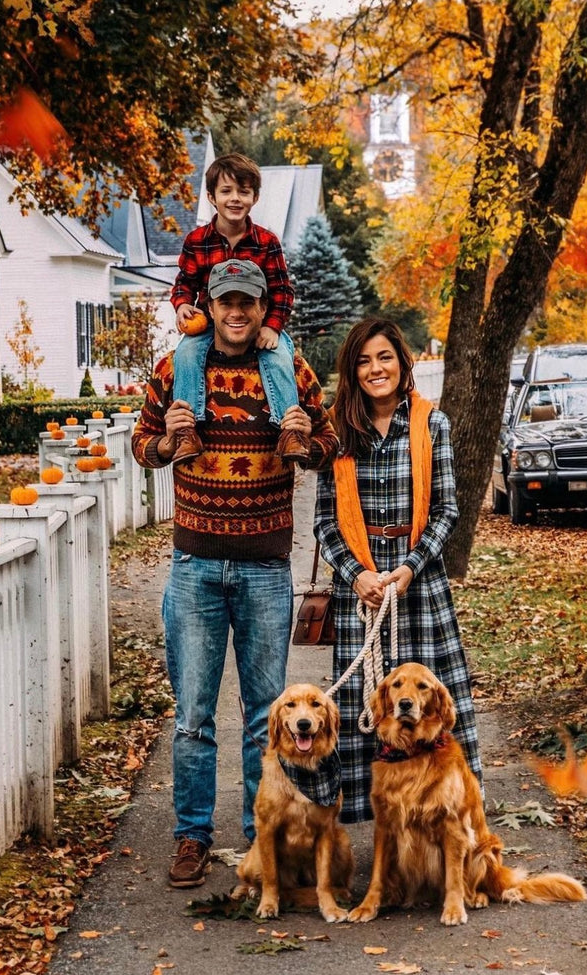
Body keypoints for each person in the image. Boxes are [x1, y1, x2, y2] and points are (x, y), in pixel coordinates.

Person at [132, 258, 338, 888]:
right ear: (212, 306)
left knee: (262, 715)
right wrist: (167, 441)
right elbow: (141, 446)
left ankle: (261, 833)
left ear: (261, 306)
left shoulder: (290, 370)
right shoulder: (177, 369)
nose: (238, 313)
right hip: (195, 563)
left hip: (266, 568)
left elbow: (330, 446)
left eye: (249, 302)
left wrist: (305, 439)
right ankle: (191, 836)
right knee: (193, 714)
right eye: (227, 303)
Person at [314, 318, 482, 824]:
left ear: (402, 363)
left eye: (384, 357)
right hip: (362, 591)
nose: (375, 369)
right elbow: (324, 520)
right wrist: (355, 574)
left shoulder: (433, 423)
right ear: (351, 371)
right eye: (363, 361)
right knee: (374, 710)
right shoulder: (335, 431)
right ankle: (390, 829)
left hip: (418, 585)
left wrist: (408, 568)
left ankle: (453, 816)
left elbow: (447, 510)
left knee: (431, 709)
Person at [169, 152, 305, 465]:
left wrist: (272, 326)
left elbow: (282, 290)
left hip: (257, 325)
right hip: (210, 325)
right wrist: (182, 306)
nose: (235, 198)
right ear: (211, 197)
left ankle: (290, 430)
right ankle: (186, 431)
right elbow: (184, 282)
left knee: (281, 356)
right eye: (226, 191)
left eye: (243, 191)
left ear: (255, 197)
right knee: (186, 355)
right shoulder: (197, 241)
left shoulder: (266, 242)